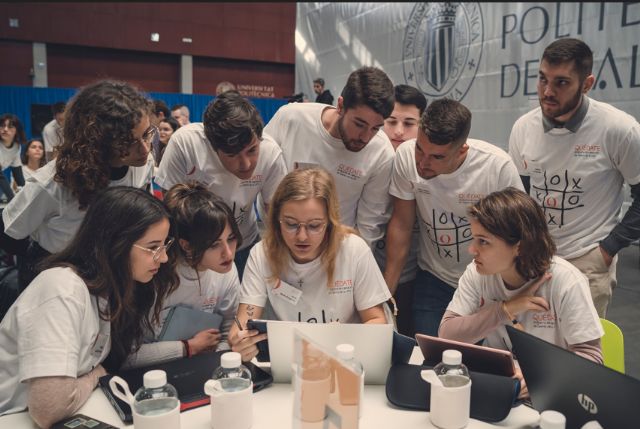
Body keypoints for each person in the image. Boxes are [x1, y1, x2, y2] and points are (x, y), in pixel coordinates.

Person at [0, 186, 179, 426]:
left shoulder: (111, 289)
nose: (164, 257)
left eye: (164, 245)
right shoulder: (61, 289)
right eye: (152, 247)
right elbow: (49, 408)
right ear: (114, 243)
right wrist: (96, 375)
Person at [509, 38, 640, 318]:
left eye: (561, 83)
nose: (547, 91)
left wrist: (608, 249)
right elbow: (522, 195)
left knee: (580, 354)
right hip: (536, 258)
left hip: (589, 259)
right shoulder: (523, 128)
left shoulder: (618, 129)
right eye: (542, 79)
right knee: (529, 346)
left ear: (587, 84)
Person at [439, 187, 603, 397]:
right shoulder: (478, 273)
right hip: (501, 388)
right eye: (474, 239)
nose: (472, 250)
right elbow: (447, 335)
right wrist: (504, 309)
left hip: (555, 393)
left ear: (520, 246)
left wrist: (542, 375)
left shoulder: (565, 280)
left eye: (484, 241)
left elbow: (592, 357)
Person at [384, 98, 523, 337]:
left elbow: (521, 234)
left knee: (486, 362)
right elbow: (402, 225)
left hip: (487, 280)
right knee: (430, 356)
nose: (423, 163)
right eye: (420, 148)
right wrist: (386, 294)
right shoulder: (406, 157)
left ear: (462, 151)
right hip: (434, 277)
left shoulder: (497, 167)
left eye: (437, 157)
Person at [2, 79, 156, 290]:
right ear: (99, 141)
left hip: (106, 270)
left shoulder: (143, 163)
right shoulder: (52, 183)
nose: (145, 149)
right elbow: (10, 235)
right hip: (54, 274)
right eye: (128, 142)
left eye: (147, 135)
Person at [229, 168, 392, 362]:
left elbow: (378, 322)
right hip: (290, 363)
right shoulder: (261, 254)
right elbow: (241, 324)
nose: (302, 236)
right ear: (276, 220)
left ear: (330, 223)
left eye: (314, 226)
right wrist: (240, 341)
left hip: (345, 362)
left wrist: (345, 337)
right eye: (291, 224)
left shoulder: (353, 250)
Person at [156, 90, 287, 279]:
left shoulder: (271, 153)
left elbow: (275, 212)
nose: (246, 164)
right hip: (197, 248)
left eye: (252, 150)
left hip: (244, 244)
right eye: (232, 155)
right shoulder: (186, 144)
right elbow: (171, 208)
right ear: (212, 146)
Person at [265, 66, 396, 248]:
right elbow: (263, 179)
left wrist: (352, 264)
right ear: (340, 106)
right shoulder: (291, 119)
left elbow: (369, 225)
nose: (365, 137)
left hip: (336, 250)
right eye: (359, 124)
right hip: (281, 241)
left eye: (375, 128)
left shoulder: (381, 153)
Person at [123, 182, 241, 368]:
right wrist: (187, 348)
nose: (228, 253)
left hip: (204, 367)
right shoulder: (153, 273)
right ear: (186, 245)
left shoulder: (226, 270)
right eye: (213, 244)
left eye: (231, 238)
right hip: (148, 373)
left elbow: (228, 329)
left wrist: (217, 367)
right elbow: (126, 356)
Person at [372, 84, 426, 337]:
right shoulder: (368, 162)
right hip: (368, 274)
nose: (398, 132)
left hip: (416, 277)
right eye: (391, 121)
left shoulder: (430, 168)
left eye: (409, 123)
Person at [0, 114, 26, 202]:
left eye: (10, 127)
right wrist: (12, 199)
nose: (5, 129)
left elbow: (18, 174)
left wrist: (27, 195)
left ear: (17, 131)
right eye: (2, 126)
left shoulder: (16, 147)